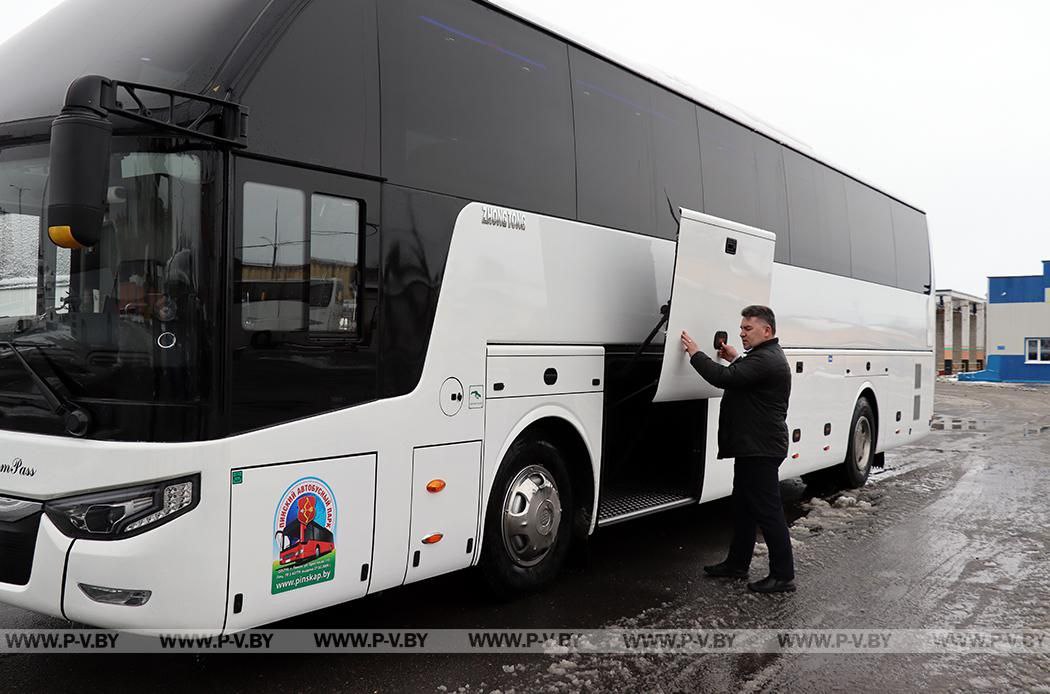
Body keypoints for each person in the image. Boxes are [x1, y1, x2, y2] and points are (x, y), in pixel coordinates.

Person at [680, 305, 795, 593]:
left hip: (761, 449)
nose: (741, 333)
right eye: (741, 328)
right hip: (753, 447)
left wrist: (695, 353)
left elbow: (725, 379)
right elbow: (744, 373)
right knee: (744, 508)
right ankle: (737, 564)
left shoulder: (766, 360)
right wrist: (736, 358)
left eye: (748, 328)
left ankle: (783, 576)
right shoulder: (762, 357)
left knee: (769, 513)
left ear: (766, 331)